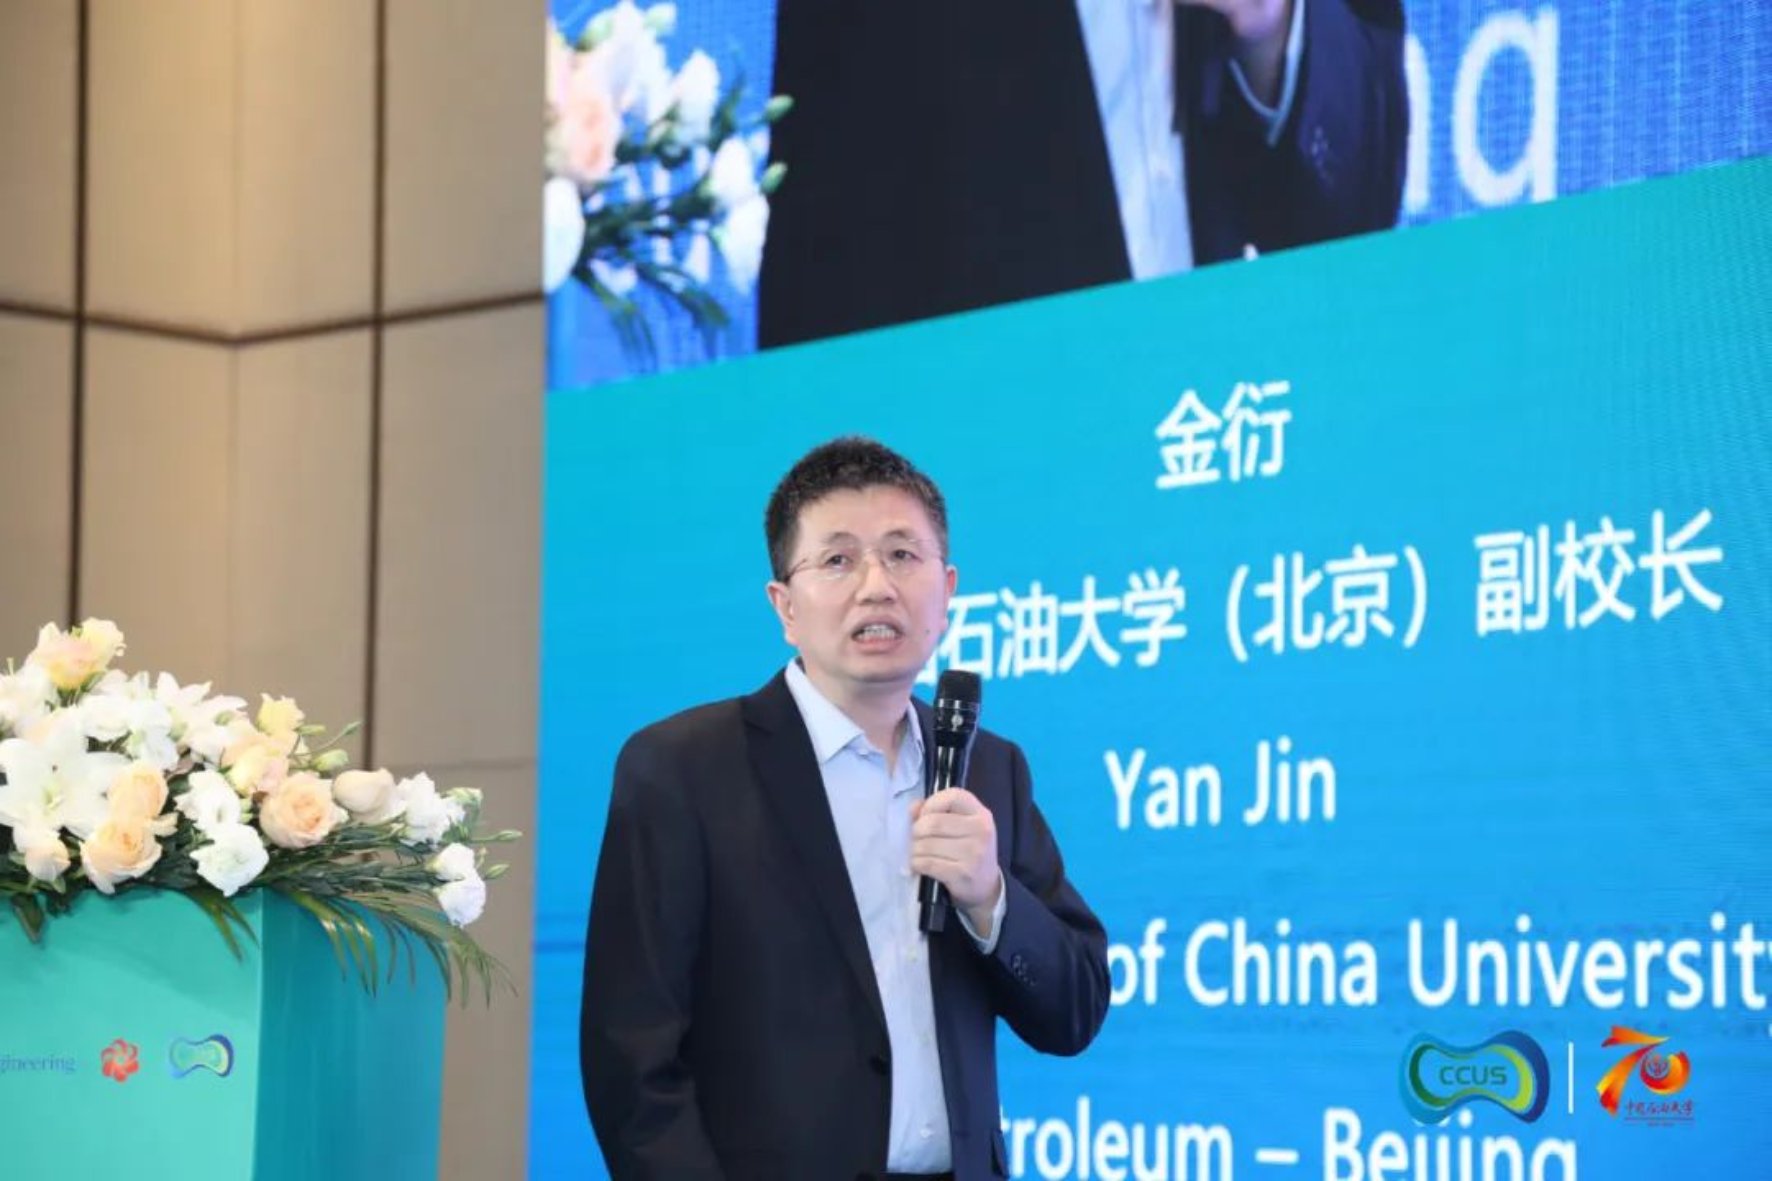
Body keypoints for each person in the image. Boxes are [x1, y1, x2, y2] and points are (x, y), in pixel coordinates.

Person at [581, 437, 1109, 1180]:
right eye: (838, 559)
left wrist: (990, 898)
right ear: (785, 606)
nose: (876, 586)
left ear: (946, 589)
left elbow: (1075, 1011)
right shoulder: (682, 770)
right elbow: (631, 1055)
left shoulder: (989, 768)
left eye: (902, 554)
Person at [759, 0, 1408, 346]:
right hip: (983, 462)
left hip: (1221, 448)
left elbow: (1363, 212)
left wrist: (1271, 21)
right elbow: (832, 249)